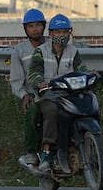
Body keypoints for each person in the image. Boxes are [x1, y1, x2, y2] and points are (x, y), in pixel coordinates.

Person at [35, 13, 88, 174]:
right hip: (47, 95)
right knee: (51, 111)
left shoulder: (73, 51)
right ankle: (47, 152)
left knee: (88, 106)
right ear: (51, 34)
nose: (61, 35)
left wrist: (89, 75)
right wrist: (40, 82)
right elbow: (34, 72)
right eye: (58, 32)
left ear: (69, 33)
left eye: (65, 32)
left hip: (68, 95)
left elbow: (81, 69)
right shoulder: (40, 51)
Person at [9, 8, 48, 171]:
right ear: (25, 29)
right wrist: (24, 95)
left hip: (55, 90)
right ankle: (32, 152)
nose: (35, 29)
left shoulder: (53, 46)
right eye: (31, 26)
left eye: (38, 25)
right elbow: (17, 79)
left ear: (44, 27)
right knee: (32, 112)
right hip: (33, 94)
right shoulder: (19, 51)